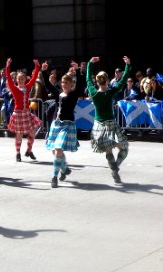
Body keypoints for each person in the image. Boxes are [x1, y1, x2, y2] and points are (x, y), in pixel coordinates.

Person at [86, 55, 131, 183]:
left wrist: (90, 64)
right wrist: (127, 66)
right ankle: (115, 168)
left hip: (98, 125)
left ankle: (114, 168)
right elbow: (122, 82)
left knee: (108, 150)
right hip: (111, 124)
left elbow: (88, 80)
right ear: (107, 80)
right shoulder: (110, 92)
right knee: (124, 148)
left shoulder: (94, 93)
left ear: (97, 81)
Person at [41, 61, 82, 188]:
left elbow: (80, 84)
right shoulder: (59, 93)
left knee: (58, 149)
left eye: (66, 83)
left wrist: (79, 71)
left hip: (67, 124)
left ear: (71, 84)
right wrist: (43, 71)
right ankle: (64, 168)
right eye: (63, 82)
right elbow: (48, 85)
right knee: (54, 151)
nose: (64, 85)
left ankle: (54, 177)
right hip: (56, 124)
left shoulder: (74, 94)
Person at [5, 58, 42, 162]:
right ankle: (17, 153)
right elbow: (8, 77)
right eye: (19, 78)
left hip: (26, 113)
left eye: (22, 78)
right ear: (16, 79)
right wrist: (7, 66)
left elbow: (34, 77)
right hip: (18, 113)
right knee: (19, 134)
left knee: (32, 133)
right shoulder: (14, 88)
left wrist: (37, 66)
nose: (21, 80)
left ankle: (29, 150)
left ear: (25, 79)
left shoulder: (27, 86)